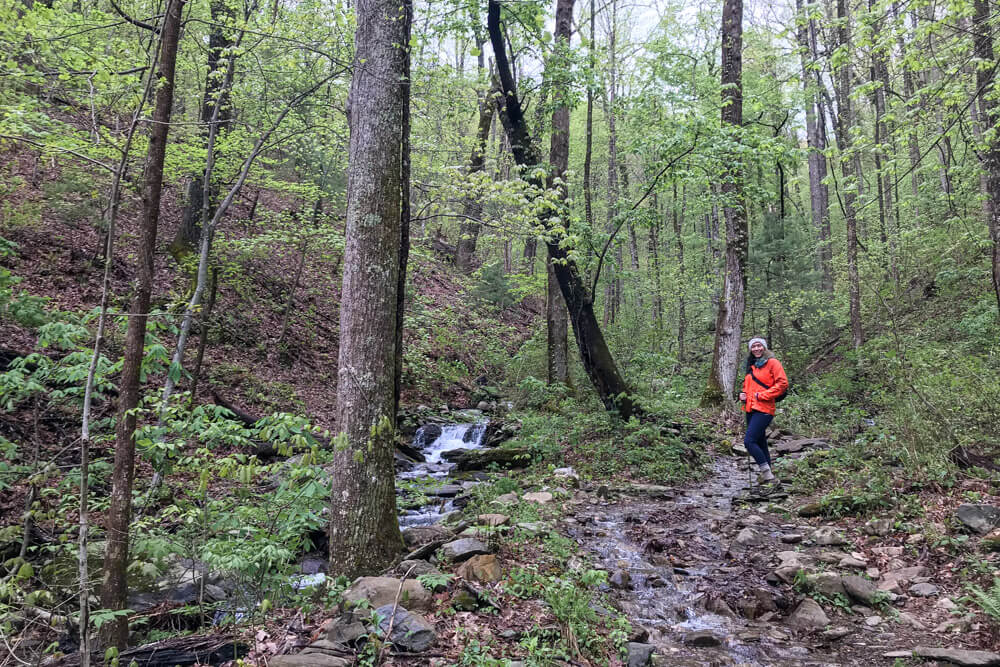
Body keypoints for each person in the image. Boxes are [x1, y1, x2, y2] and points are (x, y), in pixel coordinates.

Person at [738, 337, 788, 484]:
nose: (756, 349)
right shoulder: (751, 366)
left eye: (759, 346)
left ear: (764, 347)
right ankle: (770, 477)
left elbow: (783, 383)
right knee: (760, 442)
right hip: (750, 408)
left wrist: (763, 395)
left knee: (749, 441)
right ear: (750, 350)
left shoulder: (773, 362)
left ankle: (766, 474)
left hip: (764, 408)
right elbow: (750, 387)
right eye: (753, 347)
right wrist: (743, 395)